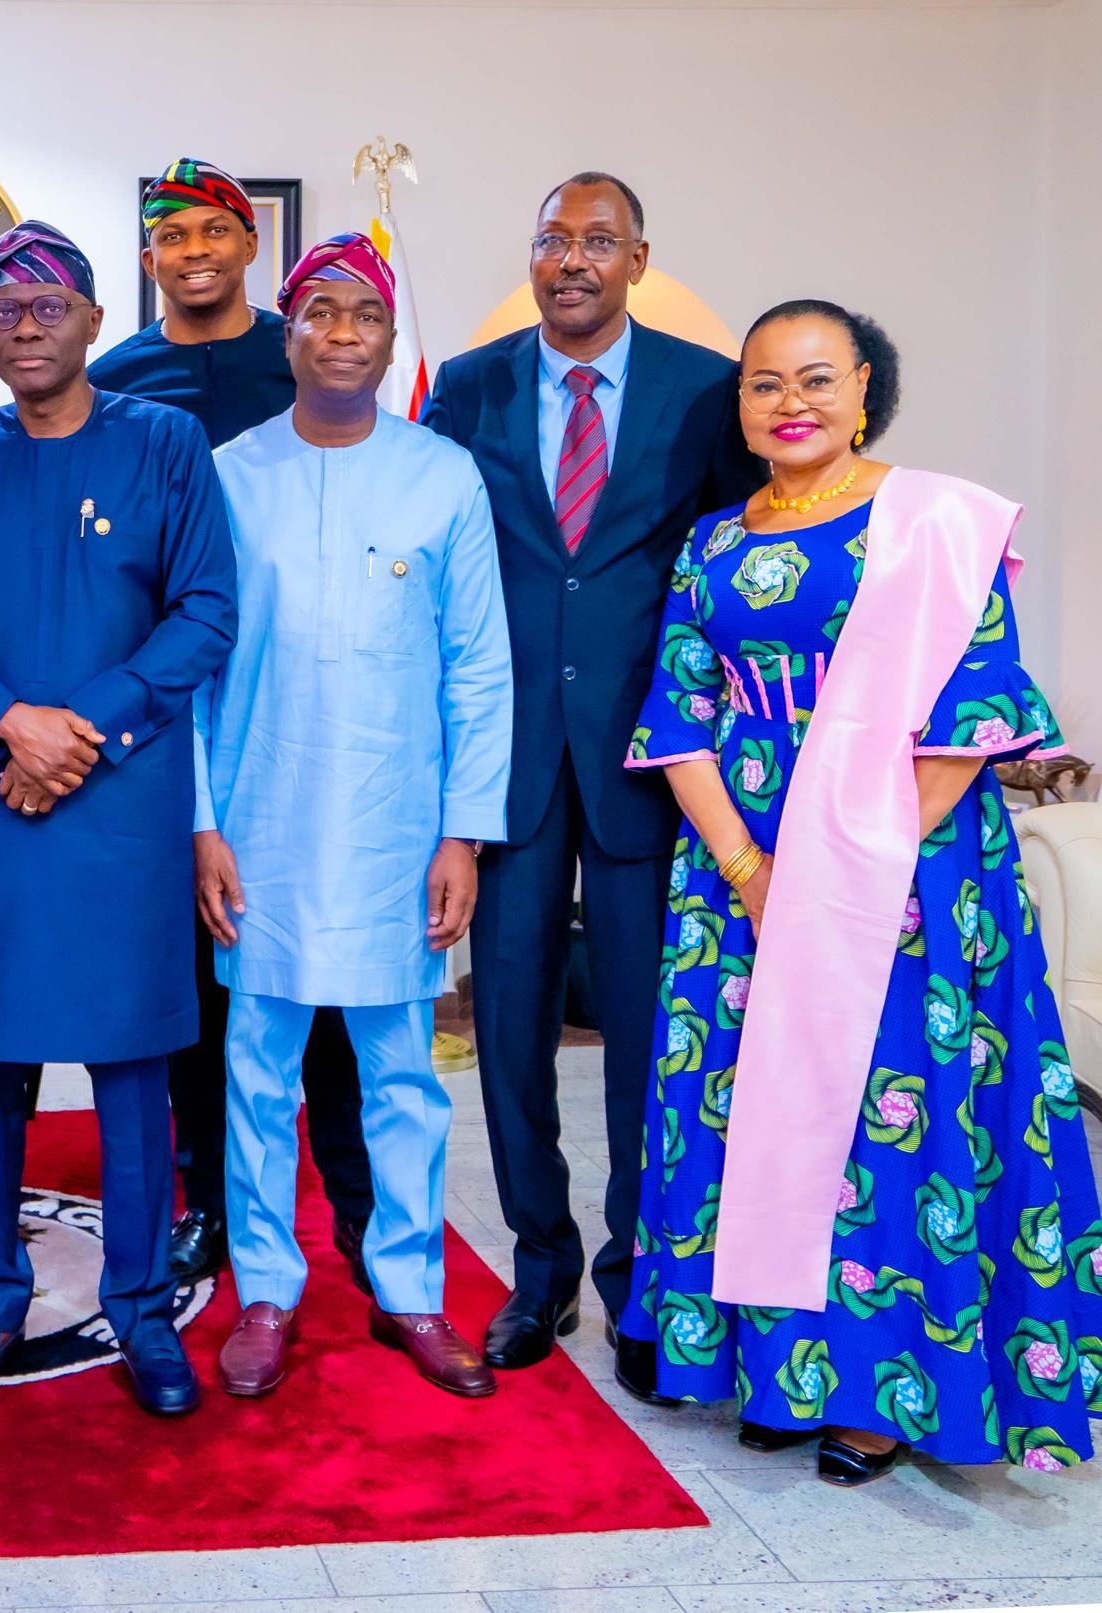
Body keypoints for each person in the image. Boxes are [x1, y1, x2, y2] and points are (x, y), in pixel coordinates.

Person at [621, 301, 1102, 1484]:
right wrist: (747, 865)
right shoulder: (714, 542)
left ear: (864, 390)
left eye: (817, 378)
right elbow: (682, 716)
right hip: (742, 873)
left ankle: (884, 1388)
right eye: (762, 382)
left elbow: (964, 723)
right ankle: (780, 1371)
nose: (789, 401)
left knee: (884, 1122)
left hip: (905, 864)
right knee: (751, 1112)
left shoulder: (932, 522)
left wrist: (851, 861)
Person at [420, 173, 762, 1390]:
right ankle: (541, 1262)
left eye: (597, 241)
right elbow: (436, 570)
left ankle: (638, 1275)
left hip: (649, 761)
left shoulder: (705, 391)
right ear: (531, 257)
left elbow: (736, 561)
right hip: (501, 758)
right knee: (507, 1026)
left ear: (636, 257)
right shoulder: (466, 388)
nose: (572, 259)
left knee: (642, 1034)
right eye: (553, 240)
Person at [0, 221, 236, 1417]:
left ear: (96, 320)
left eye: (49, 305)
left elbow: (203, 614)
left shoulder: (167, 444)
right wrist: (12, 723)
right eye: (3, 308)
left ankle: (142, 1310)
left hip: (122, 803)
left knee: (135, 1062)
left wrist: (74, 729)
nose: (26, 324)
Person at [193, 234, 512, 1399]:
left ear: (389, 340)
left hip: (395, 828)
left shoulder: (443, 475)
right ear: (285, 333)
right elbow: (189, 666)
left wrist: (461, 832)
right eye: (317, 311)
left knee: (402, 1080)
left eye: (363, 315)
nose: (340, 331)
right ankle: (265, 1289)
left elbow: (479, 668)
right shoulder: (227, 474)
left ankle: (411, 1292)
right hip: (258, 821)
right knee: (258, 1073)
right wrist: (199, 825)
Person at [92, 156, 375, 1288]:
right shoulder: (119, 376)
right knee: (205, 982)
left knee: (340, 981)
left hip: (320, 699)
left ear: (249, 242)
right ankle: (206, 1195)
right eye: (172, 236)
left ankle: (355, 1202)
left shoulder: (303, 352)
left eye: (214, 230)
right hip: (183, 704)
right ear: (150, 254)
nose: (194, 251)